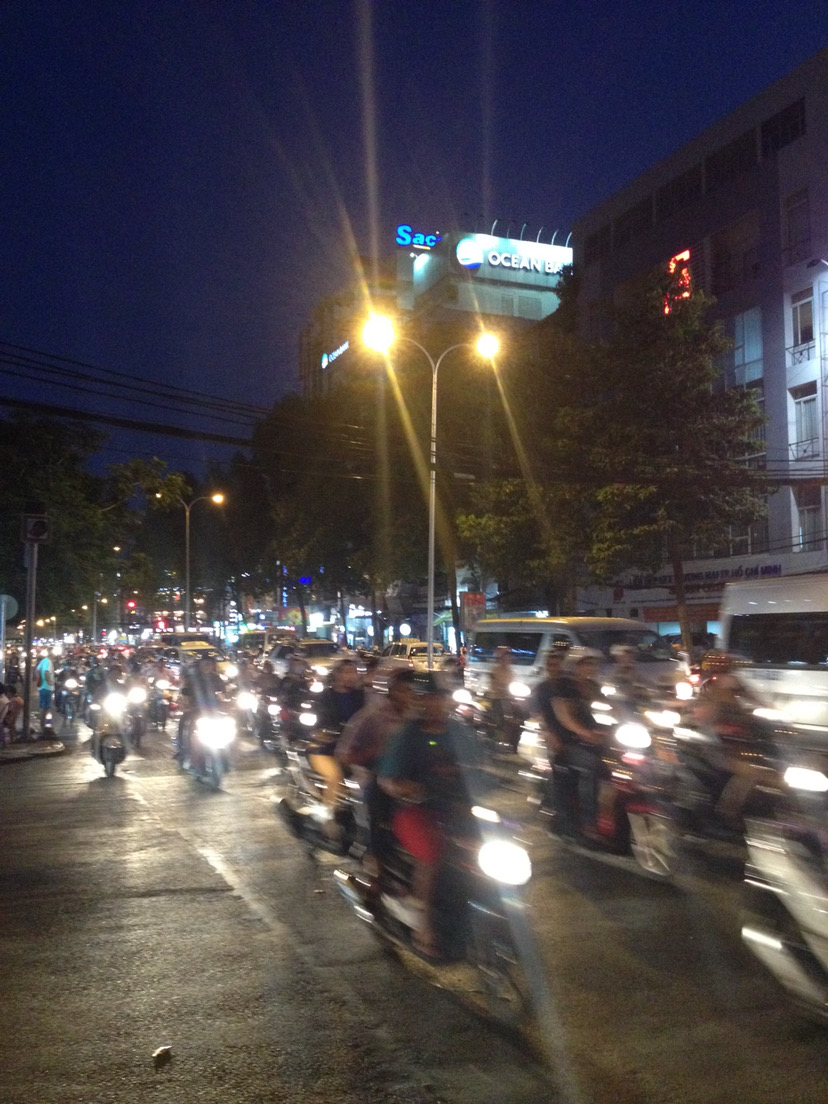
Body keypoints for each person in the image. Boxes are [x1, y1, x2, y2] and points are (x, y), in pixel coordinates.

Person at [378, 674, 481, 960]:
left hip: (456, 808)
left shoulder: (459, 731)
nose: (436, 704)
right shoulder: (408, 735)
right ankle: (422, 924)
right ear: (421, 701)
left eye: (440, 698)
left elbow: (478, 766)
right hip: (415, 810)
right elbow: (386, 779)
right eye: (429, 698)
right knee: (431, 854)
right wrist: (405, 789)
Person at [337, 668, 417, 873]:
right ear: (392, 691)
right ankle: (376, 866)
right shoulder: (372, 716)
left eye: (411, 691)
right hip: (373, 776)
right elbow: (345, 754)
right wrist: (374, 753)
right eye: (403, 690)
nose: (408, 696)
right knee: (378, 812)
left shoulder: (415, 717)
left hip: (407, 777)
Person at [692, 660, 778, 824]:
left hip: (739, 745)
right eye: (722, 672)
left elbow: (756, 699)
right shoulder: (709, 692)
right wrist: (720, 728)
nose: (728, 678)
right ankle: (726, 813)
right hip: (717, 748)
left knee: (773, 765)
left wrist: (774, 712)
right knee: (751, 771)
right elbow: (704, 720)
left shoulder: (735, 691)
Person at [548, 648, 608, 842]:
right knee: (592, 767)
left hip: (595, 740)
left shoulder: (592, 686)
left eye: (593, 663)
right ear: (575, 665)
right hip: (569, 743)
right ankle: (589, 823)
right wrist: (583, 732)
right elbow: (564, 716)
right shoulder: (563, 686)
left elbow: (611, 706)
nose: (592, 667)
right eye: (587, 663)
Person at [306, 658, 366, 838]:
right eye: (346, 672)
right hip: (325, 750)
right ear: (337, 674)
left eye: (353, 672)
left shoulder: (361, 696)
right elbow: (314, 723)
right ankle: (328, 818)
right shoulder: (324, 697)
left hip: (353, 749)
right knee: (335, 776)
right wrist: (322, 733)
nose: (350, 676)